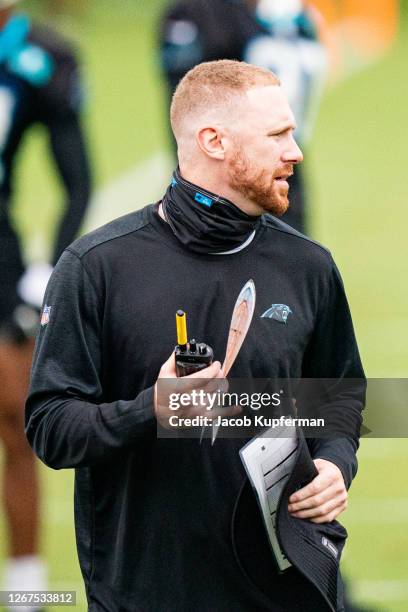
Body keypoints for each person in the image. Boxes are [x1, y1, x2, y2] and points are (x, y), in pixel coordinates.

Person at [26, 60, 364, 611]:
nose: (296, 151)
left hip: (282, 593)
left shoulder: (309, 266)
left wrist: (334, 461)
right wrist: (152, 410)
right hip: (144, 593)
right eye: (277, 135)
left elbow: (339, 395)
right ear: (214, 141)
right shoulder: (96, 267)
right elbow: (51, 428)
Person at [0, 0, 91, 605]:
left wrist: (47, 274)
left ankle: (27, 592)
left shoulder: (41, 57)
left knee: (15, 414)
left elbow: (77, 179)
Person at [159, 0, 328, 233]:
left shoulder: (205, 14)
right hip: (285, 159)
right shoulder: (297, 18)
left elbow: (191, 98)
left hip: (231, 172)